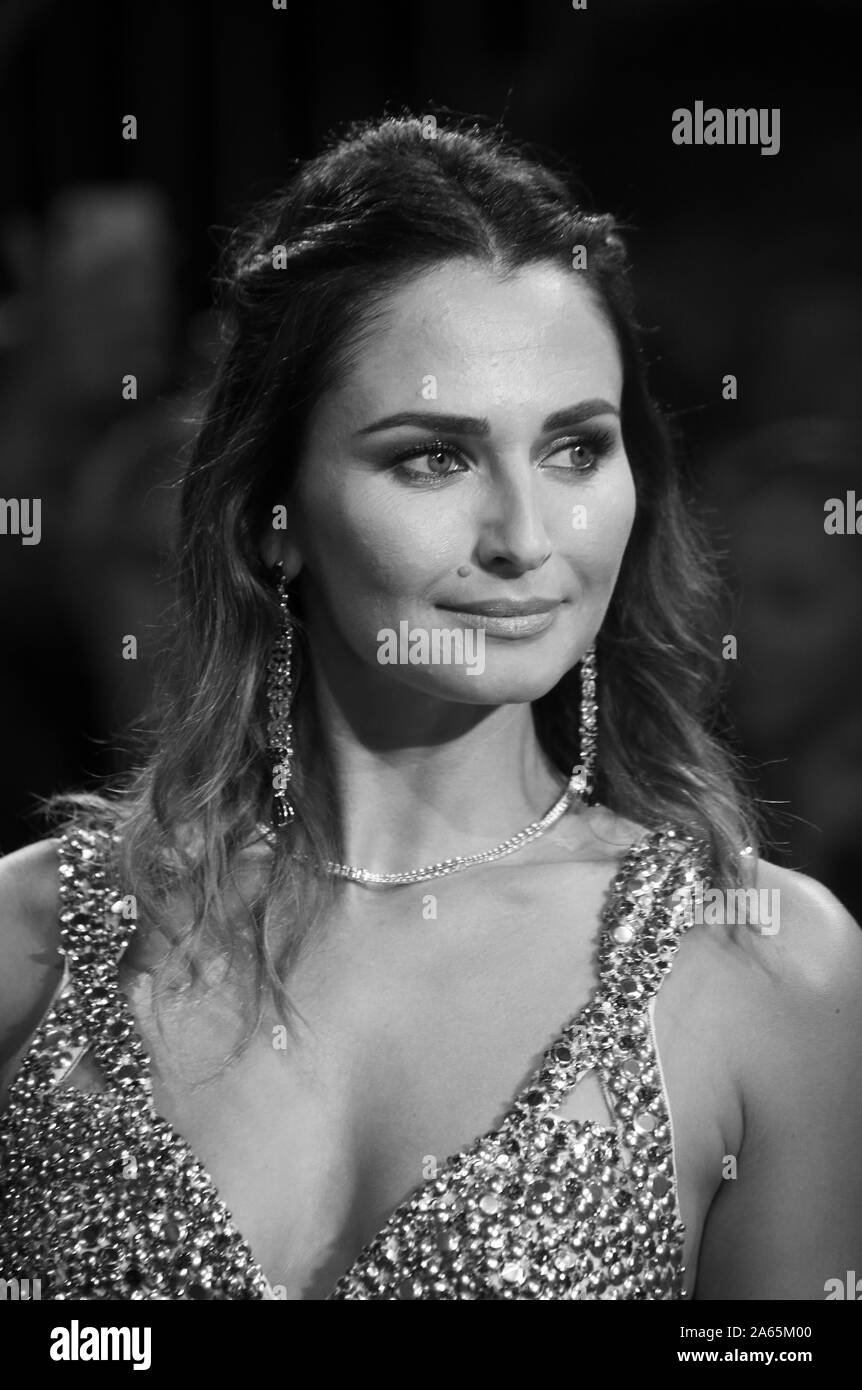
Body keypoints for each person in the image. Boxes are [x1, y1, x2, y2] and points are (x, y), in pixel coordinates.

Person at [1, 112, 860, 1302]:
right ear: (271, 511)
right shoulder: (30, 942)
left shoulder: (767, 967)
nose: (522, 539)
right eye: (432, 457)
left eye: (574, 449)